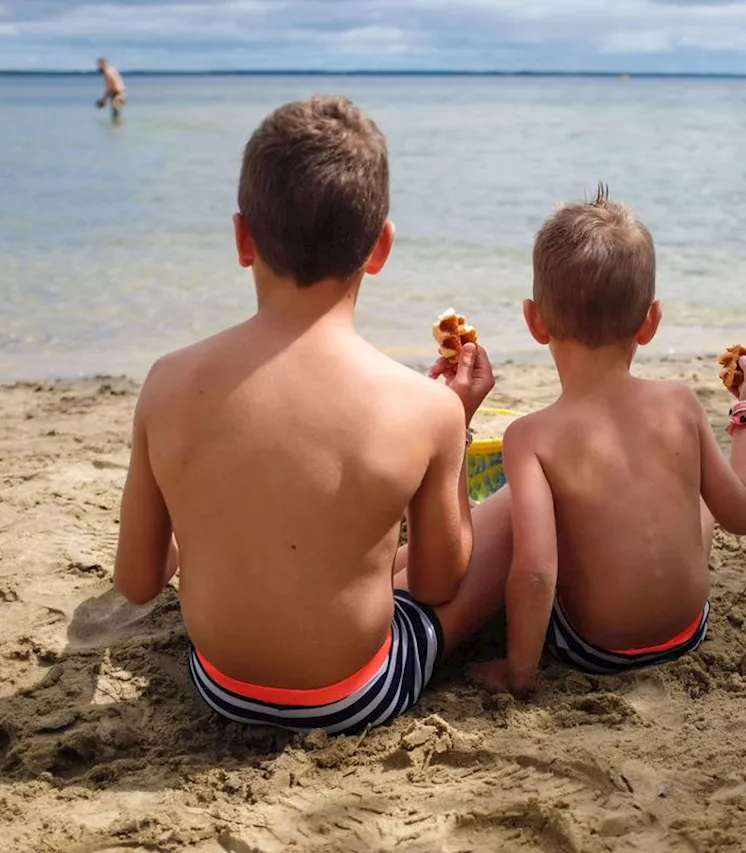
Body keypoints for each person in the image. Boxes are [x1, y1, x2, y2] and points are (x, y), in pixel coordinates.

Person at [112, 96, 513, 734]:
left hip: (219, 686)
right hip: (353, 696)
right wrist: (453, 431)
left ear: (243, 238)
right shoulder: (423, 406)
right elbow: (438, 584)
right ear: (380, 248)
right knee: (510, 515)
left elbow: (137, 582)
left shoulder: (168, 382)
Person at [468, 186, 746, 697]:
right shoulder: (681, 403)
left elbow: (538, 572)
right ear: (650, 321)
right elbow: (741, 514)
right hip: (686, 633)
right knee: (698, 500)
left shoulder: (530, 436)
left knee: (533, 519)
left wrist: (520, 672)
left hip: (595, 650)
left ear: (534, 321)